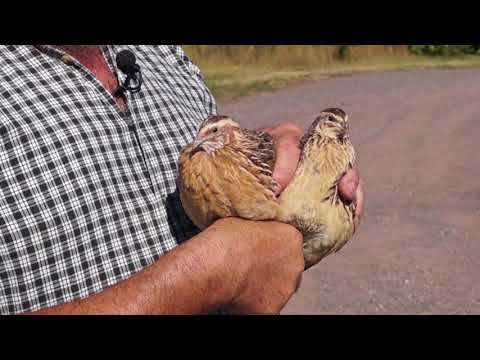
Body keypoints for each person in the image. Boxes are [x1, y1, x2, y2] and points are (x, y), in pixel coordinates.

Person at [0, 45, 364, 314]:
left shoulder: (160, 52)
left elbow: (214, 148)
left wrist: (276, 155)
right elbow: (222, 265)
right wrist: (208, 276)